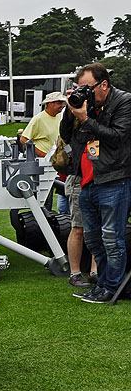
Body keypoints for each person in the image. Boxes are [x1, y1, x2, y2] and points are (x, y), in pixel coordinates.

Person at [61, 63, 131, 304]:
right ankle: (100, 284)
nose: (84, 93)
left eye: (87, 88)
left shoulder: (124, 102)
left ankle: (112, 287)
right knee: (93, 239)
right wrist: (71, 111)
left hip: (114, 178)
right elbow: (67, 136)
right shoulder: (88, 104)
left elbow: (117, 138)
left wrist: (86, 119)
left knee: (112, 238)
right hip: (88, 180)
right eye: (80, 89)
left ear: (104, 84)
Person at [20, 92, 67, 158]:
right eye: (59, 103)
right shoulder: (38, 119)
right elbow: (23, 139)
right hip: (43, 162)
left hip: (57, 159)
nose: (62, 105)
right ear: (50, 104)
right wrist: (43, 155)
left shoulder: (60, 117)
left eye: (62, 103)